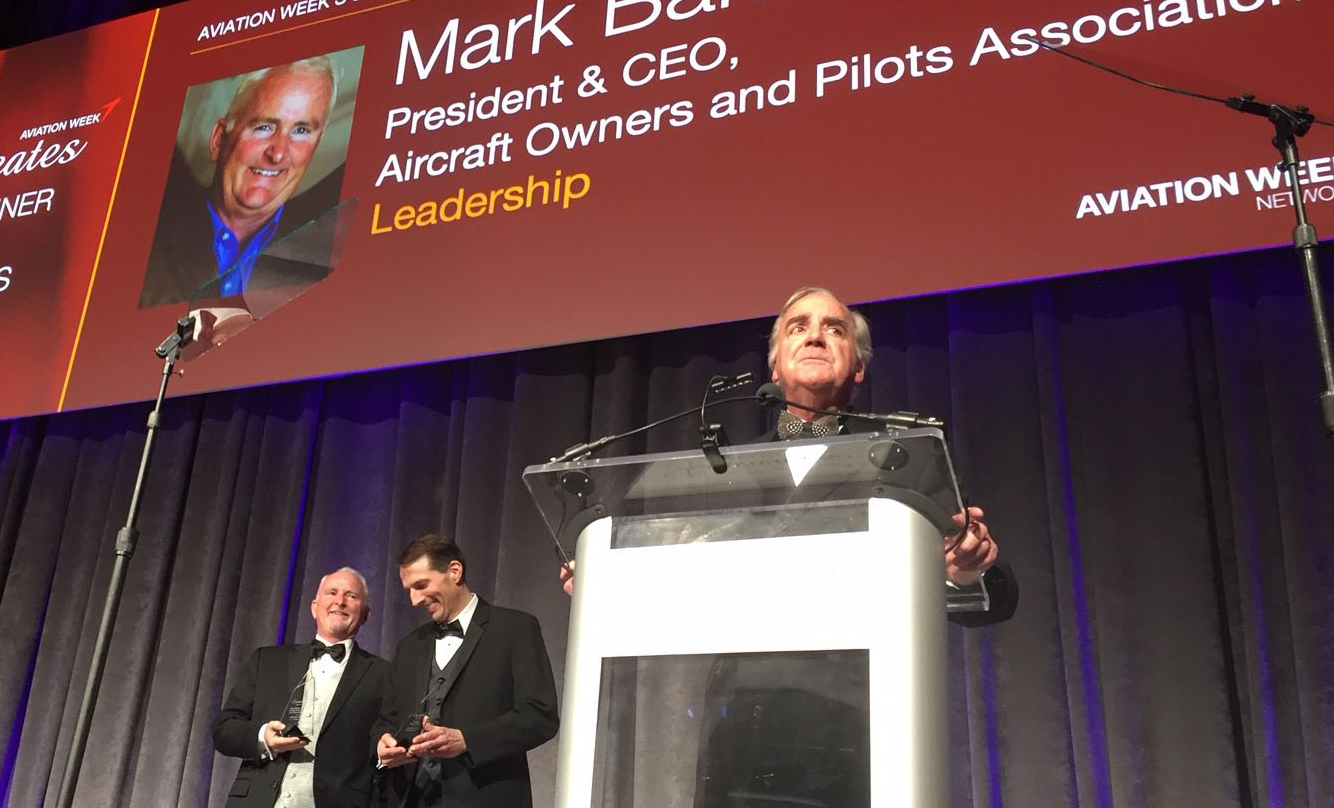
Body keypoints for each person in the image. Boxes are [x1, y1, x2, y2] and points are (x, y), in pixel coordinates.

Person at [562, 286, 1016, 622]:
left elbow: (989, 589)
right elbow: (686, 579)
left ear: (858, 368)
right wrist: (609, 583)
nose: (815, 337)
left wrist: (964, 571)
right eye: (799, 328)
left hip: (871, 699)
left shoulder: (909, 452)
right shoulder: (723, 469)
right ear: (775, 367)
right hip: (738, 710)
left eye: (833, 330)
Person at [140, 56, 344, 309]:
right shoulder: (143, 240)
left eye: (301, 131)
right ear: (218, 140)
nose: (278, 153)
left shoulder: (330, 261)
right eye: (264, 126)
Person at [375, 533, 559, 808]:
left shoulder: (515, 629)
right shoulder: (410, 646)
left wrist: (467, 740)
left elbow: (540, 715)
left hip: (486, 797)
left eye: (421, 585)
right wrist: (382, 744)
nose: (414, 600)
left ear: (455, 571)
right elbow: (386, 719)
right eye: (409, 590)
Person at [214, 567, 392, 808]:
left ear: (366, 614)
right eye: (332, 593)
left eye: (351, 596)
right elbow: (224, 730)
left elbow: (386, 746)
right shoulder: (267, 661)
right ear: (314, 607)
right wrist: (262, 737)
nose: (340, 601)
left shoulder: (384, 675)